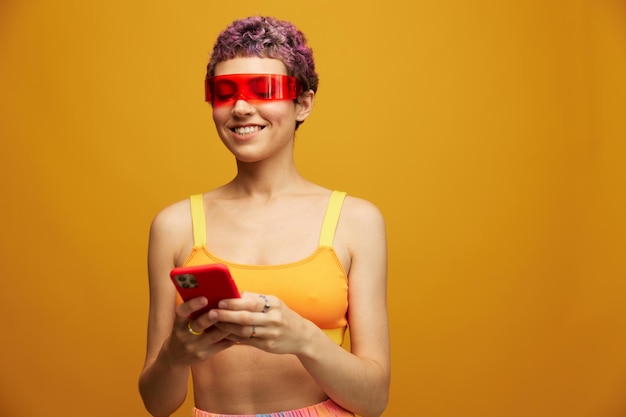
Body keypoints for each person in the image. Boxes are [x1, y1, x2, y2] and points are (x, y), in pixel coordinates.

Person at [138, 16, 390, 417]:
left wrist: (302, 337)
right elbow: (158, 403)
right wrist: (175, 354)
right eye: (224, 93)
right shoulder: (174, 225)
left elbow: (374, 400)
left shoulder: (356, 221)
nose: (240, 107)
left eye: (263, 90)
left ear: (303, 103)